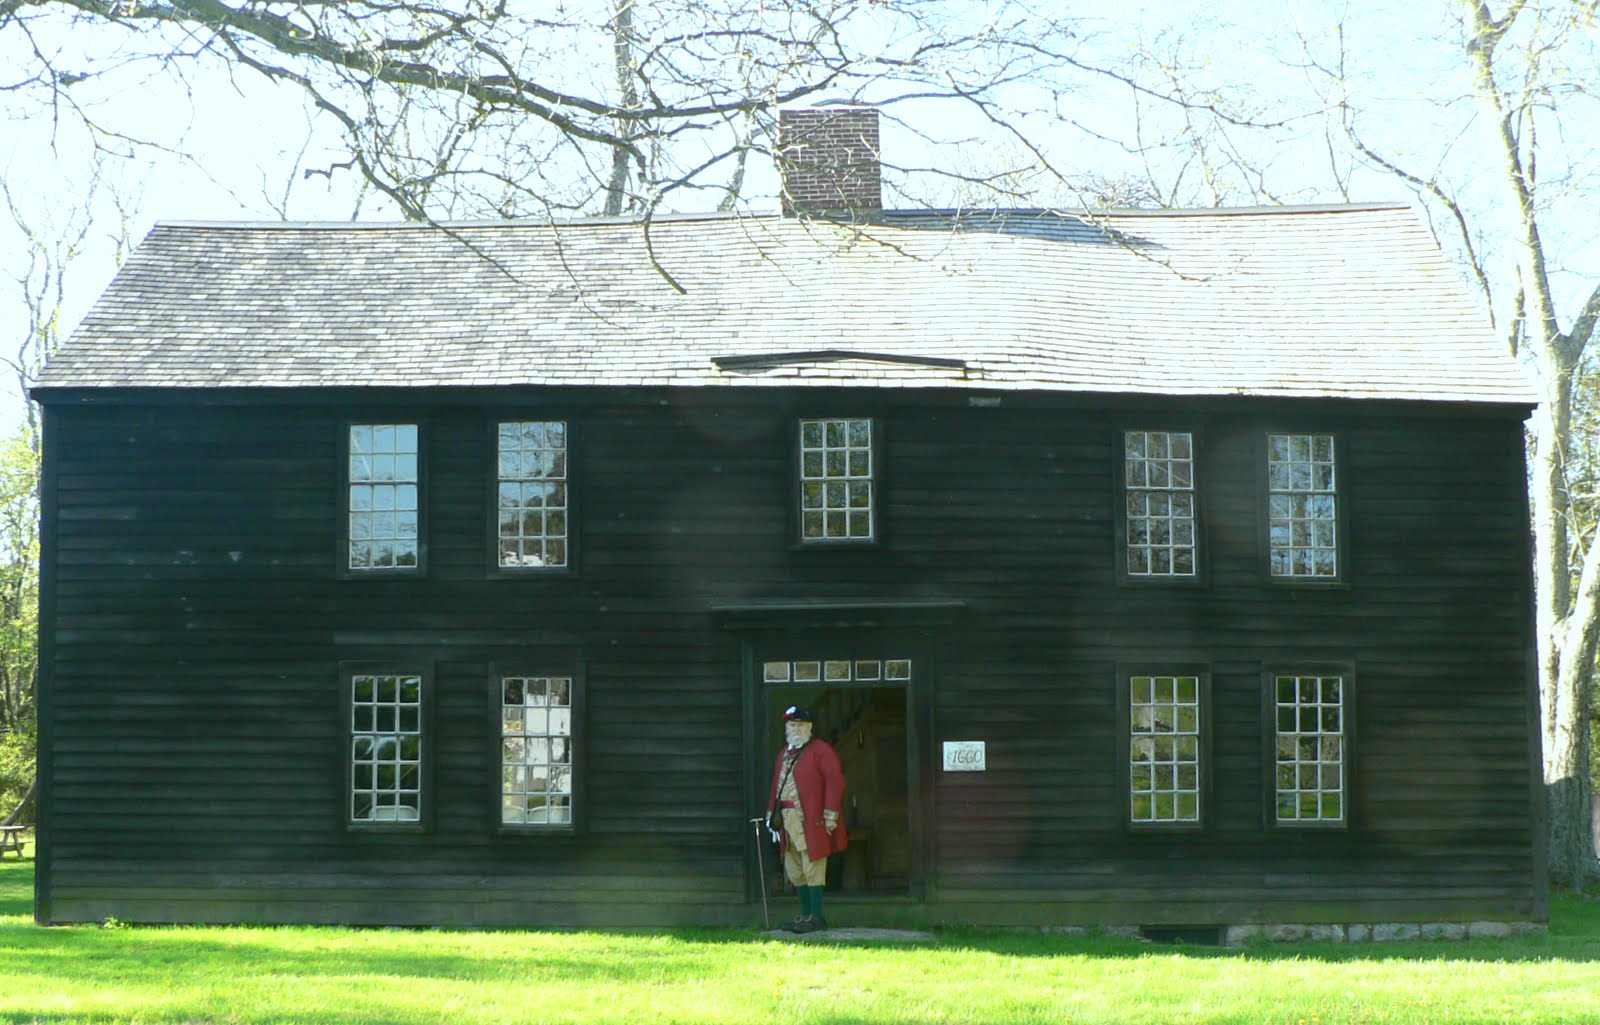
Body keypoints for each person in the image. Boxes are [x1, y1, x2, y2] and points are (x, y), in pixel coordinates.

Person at [766, 705, 848, 933]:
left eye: (800, 725)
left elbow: (835, 781)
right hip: (786, 818)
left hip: (811, 819)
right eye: (792, 725)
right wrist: (770, 814)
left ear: (809, 727)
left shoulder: (821, 750)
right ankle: (805, 916)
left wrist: (830, 812)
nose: (796, 729)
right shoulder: (784, 754)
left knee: (812, 866)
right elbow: (776, 785)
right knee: (794, 868)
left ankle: (817, 917)